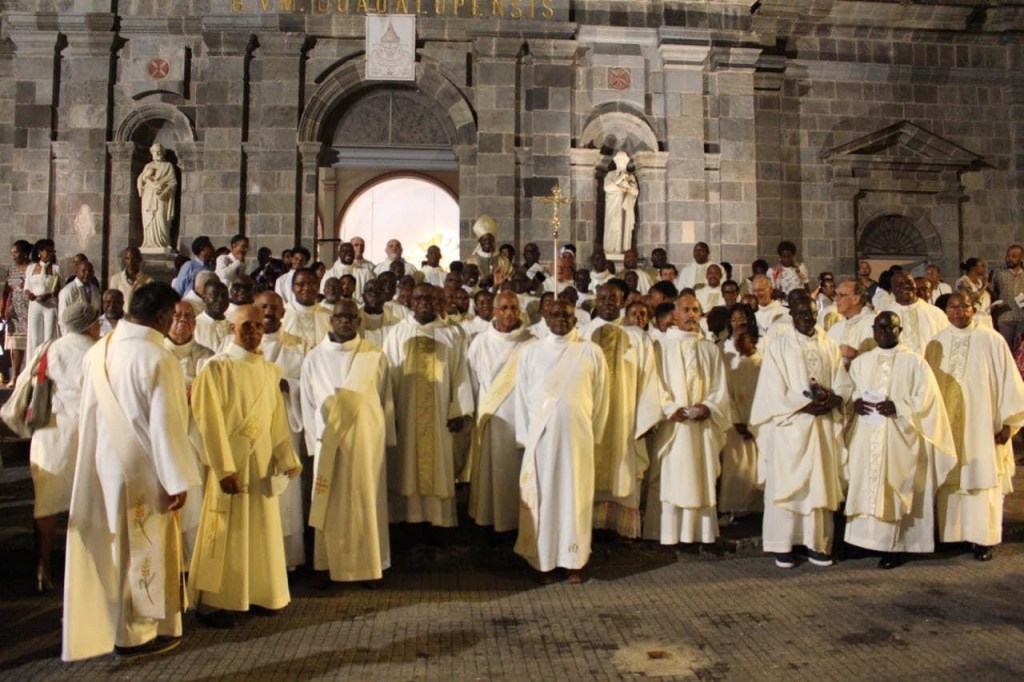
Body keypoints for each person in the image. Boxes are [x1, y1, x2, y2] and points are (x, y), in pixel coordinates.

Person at [62, 282, 200, 661]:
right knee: (140, 552)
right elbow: (167, 425)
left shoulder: (100, 349)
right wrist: (176, 480)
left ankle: (117, 624)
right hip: (143, 472)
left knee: (115, 549)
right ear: (162, 316)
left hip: (102, 464)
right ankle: (135, 634)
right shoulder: (158, 359)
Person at [187, 305, 301, 628]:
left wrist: (286, 458)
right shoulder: (216, 368)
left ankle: (258, 592)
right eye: (246, 326)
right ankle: (215, 602)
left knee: (260, 530)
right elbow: (208, 422)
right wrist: (224, 469)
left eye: (259, 326)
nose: (254, 332)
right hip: (231, 464)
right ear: (232, 329)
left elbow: (277, 420)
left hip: (261, 463)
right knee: (226, 532)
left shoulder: (268, 370)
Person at [844, 311, 956, 569]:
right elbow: (851, 390)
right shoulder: (862, 362)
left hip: (899, 437)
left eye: (889, 327)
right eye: (879, 327)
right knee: (864, 485)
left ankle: (894, 546)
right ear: (873, 330)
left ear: (899, 331)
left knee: (895, 487)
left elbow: (927, 400)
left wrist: (899, 406)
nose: (883, 331)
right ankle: (861, 542)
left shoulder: (915, 363)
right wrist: (856, 402)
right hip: (867, 434)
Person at [750, 293, 851, 568]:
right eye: (801, 313)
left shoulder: (828, 344)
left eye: (811, 313)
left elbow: (842, 382)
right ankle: (783, 545)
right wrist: (804, 405)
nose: (807, 318)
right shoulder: (779, 345)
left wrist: (834, 398)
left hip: (822, 428)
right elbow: (772, 388)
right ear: (791, 315)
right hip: (790, 426)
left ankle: (817, 544)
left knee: (818, 484)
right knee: (787, 487)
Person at [300, 299, 394, 585]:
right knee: (331, 503)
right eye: (340, 317)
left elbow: (385, 398)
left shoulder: (373, 355)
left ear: (358, 321)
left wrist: (384, 437)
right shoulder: (314, 358)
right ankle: (328, 565)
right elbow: (308, 403)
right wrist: (314, 444)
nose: (345, 321)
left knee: (366, 502)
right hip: (329, 441)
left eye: (351, 317)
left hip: (366, 440)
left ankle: (369, 566)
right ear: (331, 320)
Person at [514, 300, 609, 582]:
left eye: (567, 315)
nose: (561, 319)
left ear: (575, 319)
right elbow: (522, 397)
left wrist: (593, 434)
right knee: (544, 499)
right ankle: (543, 561)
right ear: (545, 317)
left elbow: (601, 398)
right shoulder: (531, 352)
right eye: (555, 314)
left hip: (577, 441)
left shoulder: (591, 352)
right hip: (541, 441)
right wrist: (527, 439)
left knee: (575, 497)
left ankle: (574, 560)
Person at [926, 292, 1024, 561]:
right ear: (945, 311)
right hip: (948, 426)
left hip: (982, 425)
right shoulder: (936, 342)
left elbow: (1009, 381)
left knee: (981, 478)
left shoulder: (991, 340)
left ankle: (984, 539)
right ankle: (953, 536)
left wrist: (1009, 423)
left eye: (964, 306)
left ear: (973, 309)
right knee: (951, 480)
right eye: (952, 307)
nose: (958, 312)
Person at [21, 302, 100, 592]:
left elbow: (26, 381)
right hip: (87, 434)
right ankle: (85, 569)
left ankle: (42, 566)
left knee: (47, 502)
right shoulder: (98, 351)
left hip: (51, 434)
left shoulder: (49, 348)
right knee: (89, 502)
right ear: (91, 325)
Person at [383, 283, 474, 529]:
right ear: (410, 302)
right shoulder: (397, 333)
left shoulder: (452, 333)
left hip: (440, 415)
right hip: (406, 414)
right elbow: (387, 376)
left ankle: (438, 520)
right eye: (419, 298)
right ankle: (406, 520)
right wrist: (390, 413)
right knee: (406, 466)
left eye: (430, 298)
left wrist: (459, 410)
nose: (424, 302)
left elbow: (461, 373)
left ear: (440, 302)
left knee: (438, 466)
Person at [645, 293, 730, 546]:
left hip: (701, 428)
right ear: (675, 314)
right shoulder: (661, 346)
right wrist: (669, 407)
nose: (691, 314)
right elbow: (654, 383)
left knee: (700, 477)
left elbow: (719, 386)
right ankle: (669, 534)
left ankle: (699, 534)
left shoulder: (709, 348)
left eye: (695, 309)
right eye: (686, 310)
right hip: (674, 426)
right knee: (672, 478)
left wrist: (709, 406)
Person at [580, 284, 663, 538]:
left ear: (622, 301)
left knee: (623, 469)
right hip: (590, 417)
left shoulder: (637, 337)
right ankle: (587, 526)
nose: (607, 302)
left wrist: (645, 418)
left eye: (613, 298)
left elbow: (649, 377)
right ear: (596, 300)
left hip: (625, 419)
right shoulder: (582, 334)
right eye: (603, 298)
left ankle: (620, 530)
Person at [466, 291, 535, 533]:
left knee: (518, 470)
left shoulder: (532, 343)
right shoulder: (481, 342)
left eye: (514, 308)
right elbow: (473, 380)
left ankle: (519, 522)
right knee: (491, 472)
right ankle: (488, 520)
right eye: (503, 308)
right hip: (491, 418)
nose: (509, 313)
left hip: (521, 419)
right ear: (494, 311)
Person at [255, 291, 309, 570]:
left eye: (274, 307)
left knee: (287, 492)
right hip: (254, 429)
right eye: (263, 306)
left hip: (287, 423)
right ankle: (259, 560)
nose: (268, 312)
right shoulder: (238, 343)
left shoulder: (300, 345)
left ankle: (288, 560)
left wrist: (290, 386)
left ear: (283, 313)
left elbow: (308, 384)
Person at [718, 330, 763, 523]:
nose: (738, 343)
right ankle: (732, 507)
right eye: (736, 339)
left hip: (757, 423)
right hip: (736, 425)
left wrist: (754, 423)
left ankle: (755, 507)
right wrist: (737, 419)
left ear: (752, 340)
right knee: (735, 465)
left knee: (756, 466)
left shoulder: (762, 364)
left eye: (742, 339)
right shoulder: (732, 366)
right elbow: (726, 392)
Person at [881, 272, 948, 355]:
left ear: (915, 285)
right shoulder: (884, 316)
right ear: (892, 289)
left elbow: (946, 341)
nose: (906, 286)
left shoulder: (935, 313)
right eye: (900, 284)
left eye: (909, 283)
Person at [2, 240, 33, 384]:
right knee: (15, 345)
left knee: (31, 343)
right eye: (12, 253)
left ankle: (29, 376)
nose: (13, 256)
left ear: (25, 253)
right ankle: (15, 376)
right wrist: (5, 308)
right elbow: (7, 291)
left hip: (30, 310)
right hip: (15, 313)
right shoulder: (12, 269)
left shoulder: (33, 268)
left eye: (16, 252)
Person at [24, 239, 61, 358]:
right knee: (35, 338)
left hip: (50, 305)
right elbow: (26, 287)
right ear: (39, 252)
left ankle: (47, 364)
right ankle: (34, 364)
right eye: (47, 251)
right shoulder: (31, 268)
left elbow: (61, 288)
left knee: (49, 337)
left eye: (52, 251)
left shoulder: (56, 269)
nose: (50, 253)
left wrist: (49, 295)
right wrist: (29, 294)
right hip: (35, 305)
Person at [136, 144, 177, 250]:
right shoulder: (148, 166)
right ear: (152, 153)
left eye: (160, 151)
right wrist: (146, 177)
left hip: (161, 197)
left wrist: (165, 190)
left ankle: (163, 242)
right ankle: (149, 242)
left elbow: (173, 182)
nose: (158, 153)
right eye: (155, 151)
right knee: (149, 219)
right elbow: (141, 180)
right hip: (148, 195)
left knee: (161, 218)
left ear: (163, 153)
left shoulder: (168, 166)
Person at [827, 280, 875, 368]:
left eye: (841, 295)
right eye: (836, 295)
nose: (836, 299)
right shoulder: (835, 328)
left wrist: (856, 354)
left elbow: (881, 358)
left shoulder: (873, 324)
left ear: (856, 299)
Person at [281, 267, 331, 347]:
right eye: (301, 284)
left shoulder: (329, 315)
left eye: (311, 283)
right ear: (293, 288)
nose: (306, 288)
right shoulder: (282, 314)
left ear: (318, 286)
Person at [602, 150, 639, 254]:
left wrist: (629, 187)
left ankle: (624, 249)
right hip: (613, 205)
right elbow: (607, 187)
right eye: (619, 159)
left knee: (624, 227)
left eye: (623, 160)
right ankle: (611, 248)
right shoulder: (610, 174)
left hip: (626, 205)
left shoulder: (630, 176)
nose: (621, 162)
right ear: (615, 161)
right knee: (613, 225)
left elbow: (635, 191)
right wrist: (620, 179)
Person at [989, 244, 1024, 347]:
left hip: (1022, 317)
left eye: (1014, 256)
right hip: (1005, 316)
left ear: (1021, 258)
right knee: (1005, 348)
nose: (1009, 259)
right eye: (1008, 256)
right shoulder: (999, 273)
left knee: (1019, 350)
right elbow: (991, 291)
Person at [57, 258, 101, 335]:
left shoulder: (95, 290)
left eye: (90, 271)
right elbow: (63, 318)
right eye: (84, 271)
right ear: (76, 272)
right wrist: (67, 336)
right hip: (74, 333)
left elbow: (97, 312)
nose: (87, 273)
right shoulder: (68, 291)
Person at [194, 279, 231, 351]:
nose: (220, 300)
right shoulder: (195, 325)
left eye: (224, 296)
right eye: (214, 295)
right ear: (204, 299)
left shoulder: (233, 325)